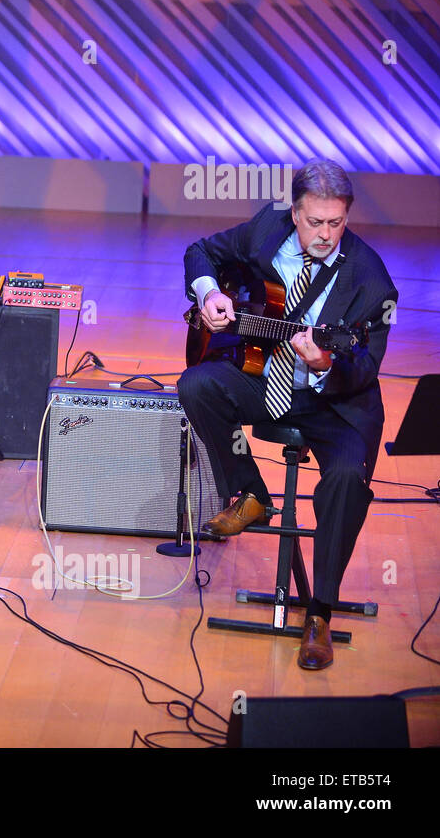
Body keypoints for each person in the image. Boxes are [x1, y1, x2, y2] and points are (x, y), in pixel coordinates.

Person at [179, 158, 397, 669]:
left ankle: (319, 611)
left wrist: (326, 364)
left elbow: (365, 367)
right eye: (315, 221)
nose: (325, 234)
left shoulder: (372, 281)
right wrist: (210, 292)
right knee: (197, 385)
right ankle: (252, 493)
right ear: (294, 212)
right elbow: (201, 251)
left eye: (336, 223)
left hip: (336, 402)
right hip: (264, 376)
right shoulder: (264, 229)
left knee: (344, 480)